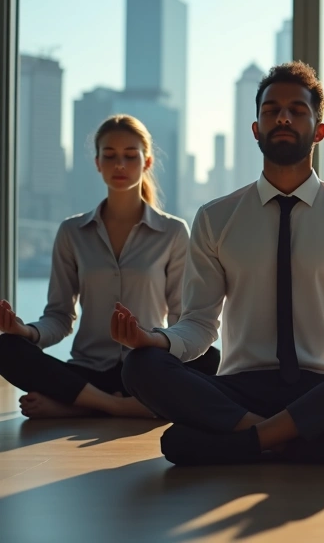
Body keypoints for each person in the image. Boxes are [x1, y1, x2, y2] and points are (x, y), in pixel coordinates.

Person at [109, 62, 324, 465]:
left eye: (297, 110)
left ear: (319, 131)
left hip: (323, 389)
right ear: (256, 130)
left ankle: (241, 441)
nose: (283, 116)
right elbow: (199, 325)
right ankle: (297, 440)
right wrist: (154, 340)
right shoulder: (216, 217)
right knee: (140, 365)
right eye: (271, 110)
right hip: (241, 387)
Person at [0, 115, 219, 418]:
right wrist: (26, 331)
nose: (119, 165)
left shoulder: (174, 232)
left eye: (130, 156)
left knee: (212, 360)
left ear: (147, 162)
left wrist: (152, 341)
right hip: (88, 371)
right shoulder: (71, 231)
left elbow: (182, 318)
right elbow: (60, 317)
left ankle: (76, 407)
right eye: (110, 156)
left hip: (146, 369)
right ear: (97, 162)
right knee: (8, 348)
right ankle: (120, 406)